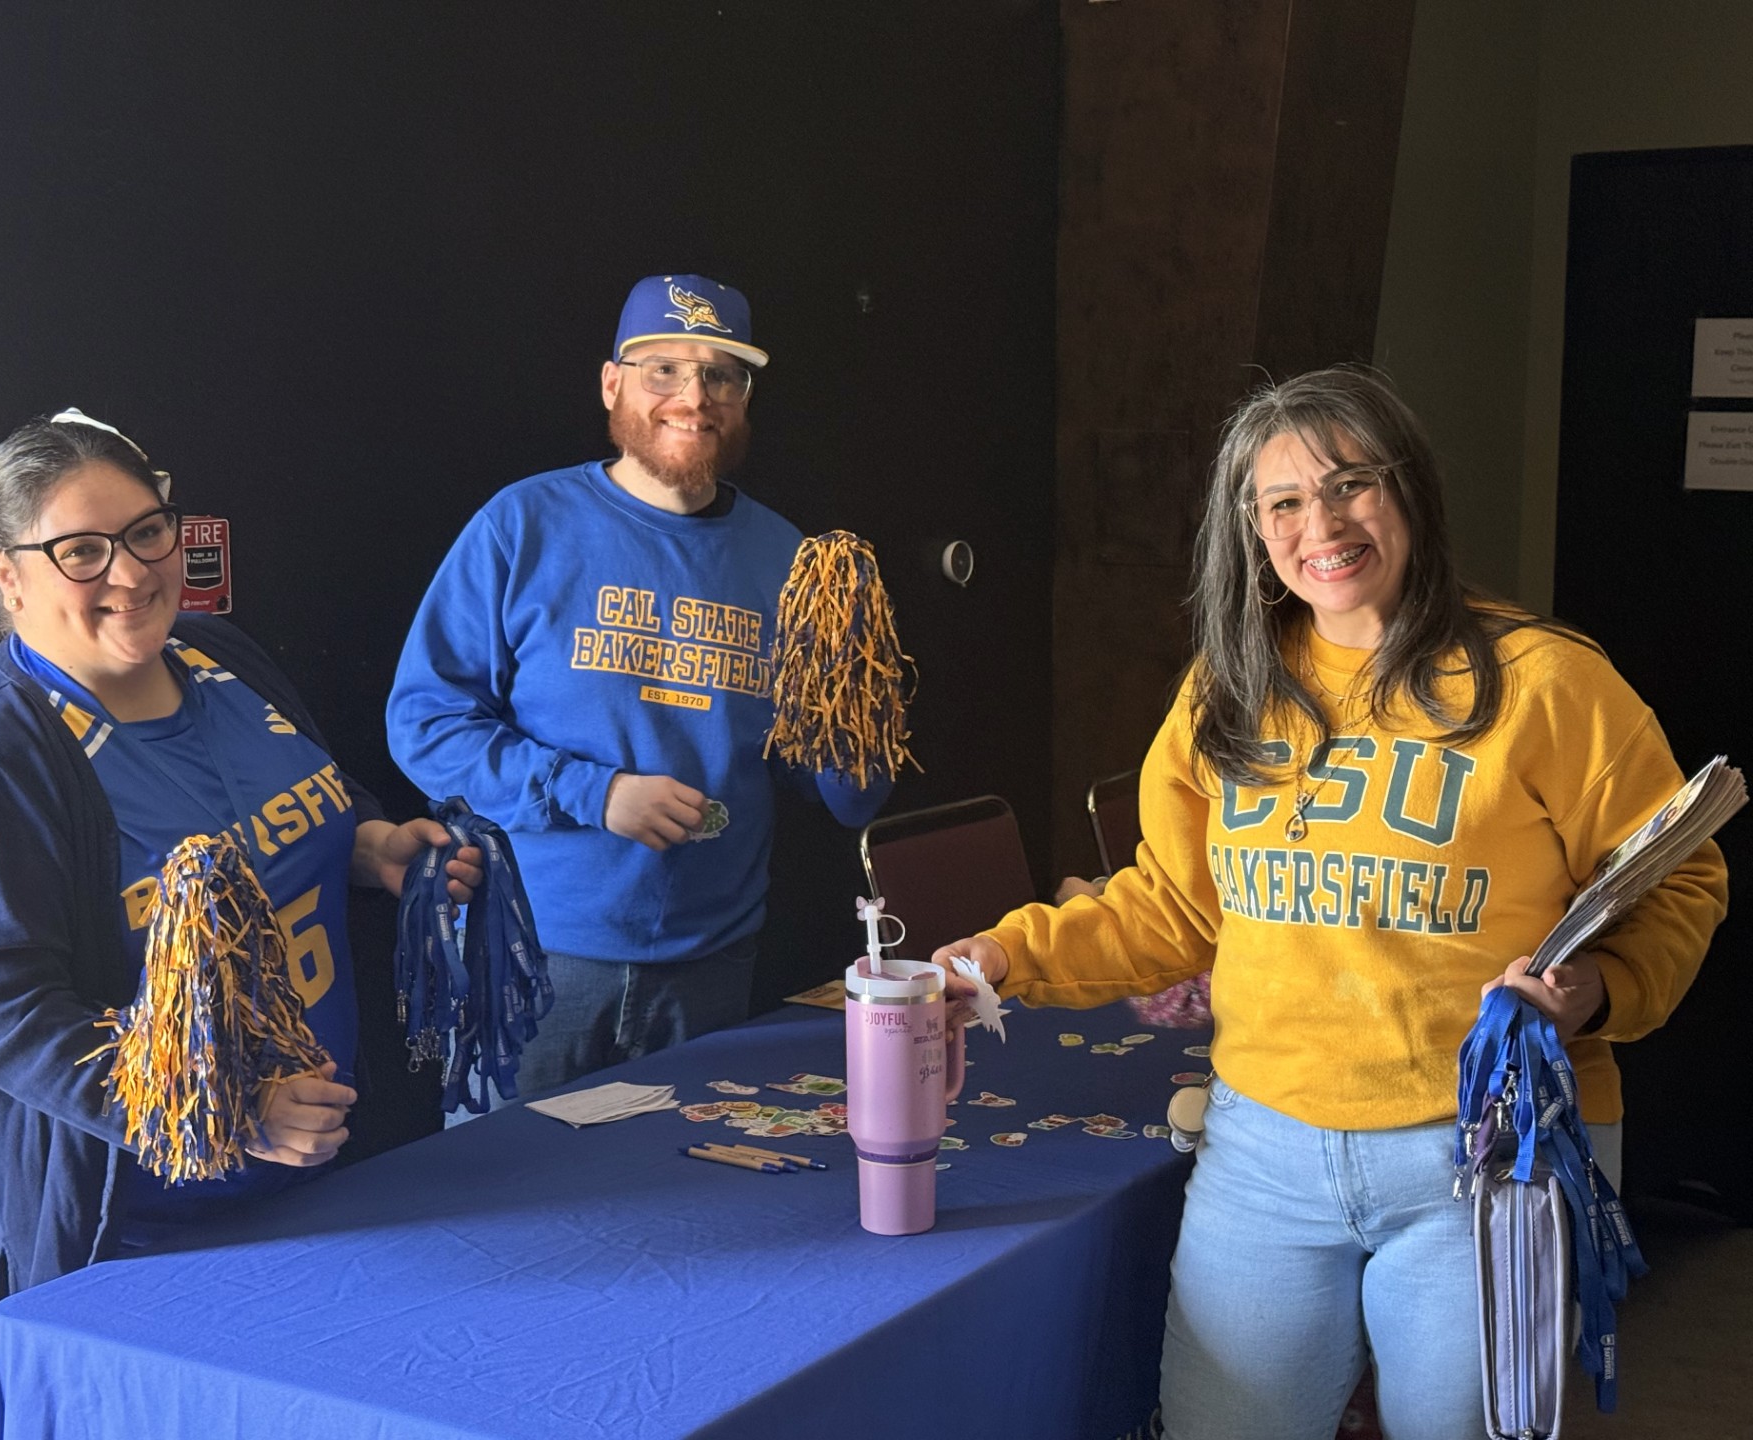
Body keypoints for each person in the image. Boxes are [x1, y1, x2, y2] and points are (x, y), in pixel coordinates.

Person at [932, 367, 1727, 1440]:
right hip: (1264, 1154)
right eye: (1286, 503)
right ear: (1254, 531)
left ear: (1411, 492)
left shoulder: (1545, 681)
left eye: (1354, 484)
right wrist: (1002, 956)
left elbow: (1681, 872)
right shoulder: (1231, 685)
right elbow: (1173, 907)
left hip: (1484, 1148)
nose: (1325, 524)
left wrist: (1601, 988)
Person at [0, 409, 482, 1310]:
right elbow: (3, 1020)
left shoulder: (214, 654)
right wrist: (224, 1109)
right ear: (5, 573)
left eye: (147, 532)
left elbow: (299, 795)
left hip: (303, 1183)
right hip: (126, 1235)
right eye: (80, 551)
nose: (130, 572)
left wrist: (371, 846)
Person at [387, 274, 889, 1100]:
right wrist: (597, 793)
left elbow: (835, 789)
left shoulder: (792, 561)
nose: (695, 396)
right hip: (533, 952)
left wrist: (857, 729)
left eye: (722, 375)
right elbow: (426, 724)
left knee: (680, 1212)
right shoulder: (522, 525)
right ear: (613, 383)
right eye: (665, 370)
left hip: (713, 965)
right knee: (509, 1209)